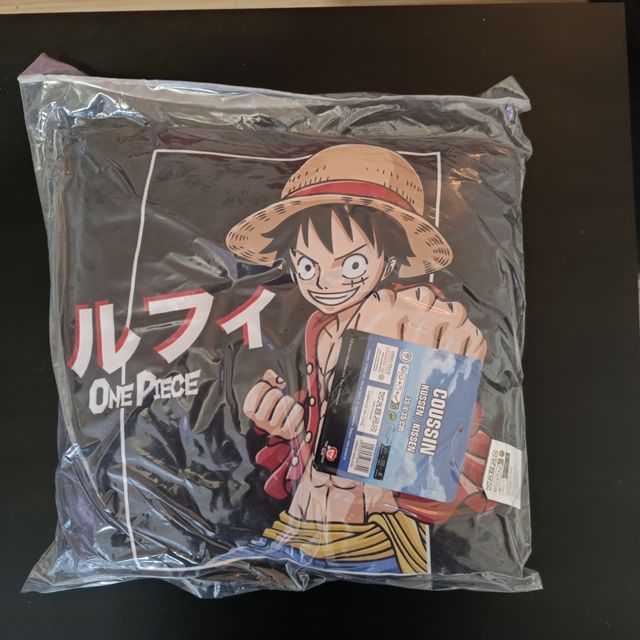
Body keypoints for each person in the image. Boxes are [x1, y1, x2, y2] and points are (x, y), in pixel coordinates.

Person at [225, 144, 493, 575]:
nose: (324, 283)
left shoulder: (412, 318)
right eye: (307, 267)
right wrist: (285, 425)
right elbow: (329, 435)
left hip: (374, 534)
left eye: (351, 265)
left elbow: (432, 439)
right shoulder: (319, 329)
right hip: (303, 526)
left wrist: (439, 360)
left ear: (390, 259)